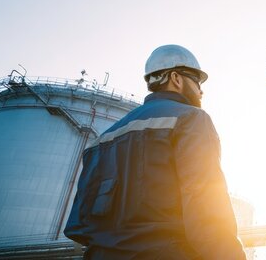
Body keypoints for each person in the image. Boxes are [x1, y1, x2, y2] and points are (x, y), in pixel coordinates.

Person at [65, 44, 246, 260]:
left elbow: (79, 224)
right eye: (197, 81)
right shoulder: (191, 119)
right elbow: (205, 208)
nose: (201, 90)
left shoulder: (101, 140)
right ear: (176, 78)